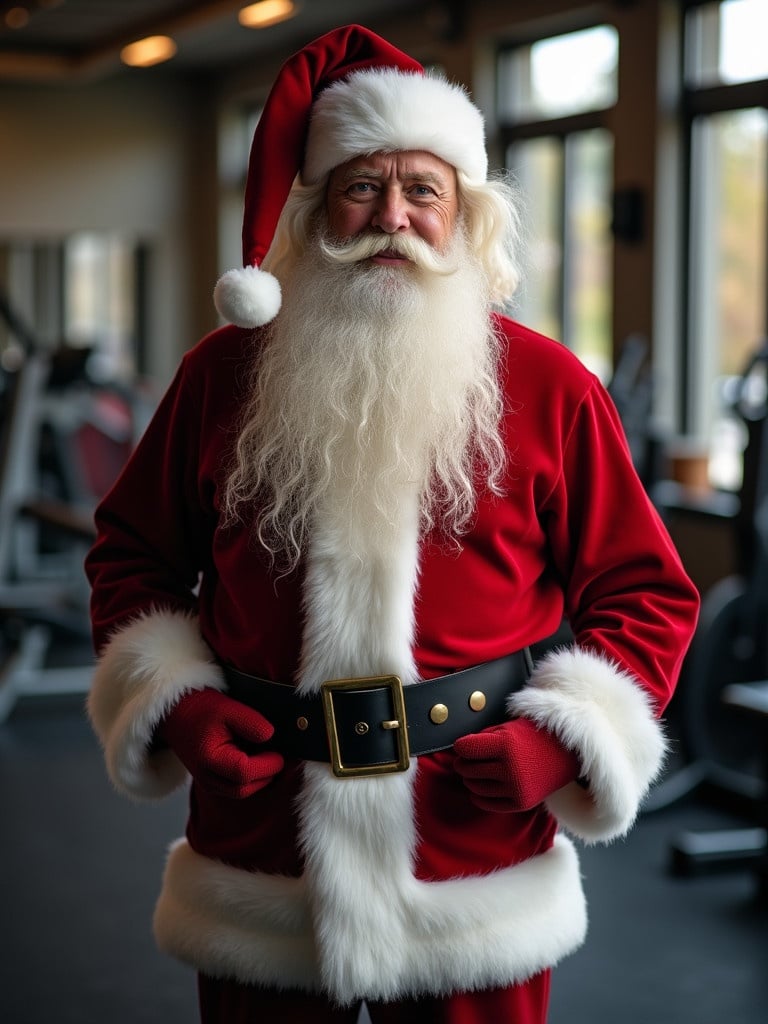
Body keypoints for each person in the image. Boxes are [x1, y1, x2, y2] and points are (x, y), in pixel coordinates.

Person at [85, 23, 700, 1024]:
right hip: (262, 845)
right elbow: (132, 557)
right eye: (362, 188)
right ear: (318, 208)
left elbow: (645, 594)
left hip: (472, 846)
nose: (394, 217)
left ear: (464, 214)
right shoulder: (220, 377)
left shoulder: (549, 387)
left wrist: (566, 741)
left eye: (424, 190)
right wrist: (177, 704)